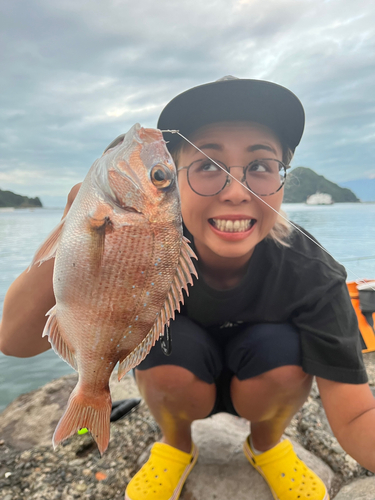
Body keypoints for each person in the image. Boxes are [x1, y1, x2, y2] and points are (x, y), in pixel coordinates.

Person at [0, 77, 374, 500]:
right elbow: (12, 341)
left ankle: (266, 444)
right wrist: (74, 226)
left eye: (261, 167)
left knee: (283, 350)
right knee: (171, 344)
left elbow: (358, 412)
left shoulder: (314, 272)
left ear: (284, 179)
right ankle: (176, 445)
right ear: (175, 180)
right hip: (179, 387)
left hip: (261, 391)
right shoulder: (138, 242)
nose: (236, 191)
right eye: (207, 166)